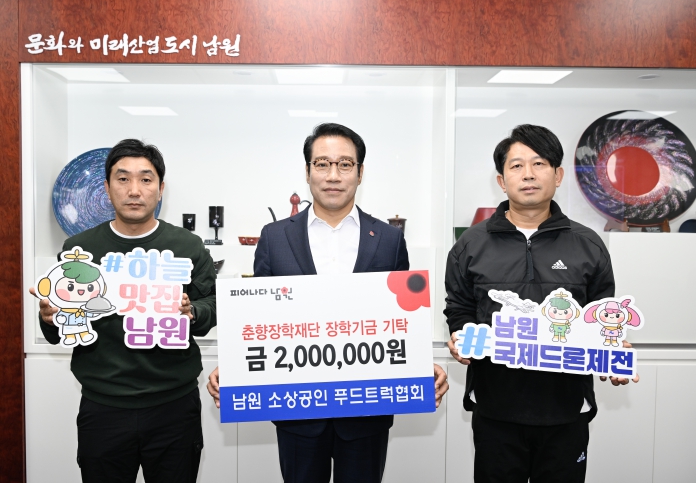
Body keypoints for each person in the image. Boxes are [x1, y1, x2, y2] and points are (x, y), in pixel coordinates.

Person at [207, 123, 449, 483]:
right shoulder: (274, 237)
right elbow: (259, 318)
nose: (333, 175)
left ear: (360, 173)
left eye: (345, 164)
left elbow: (401, 318)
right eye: (322, 164)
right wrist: (235, 366)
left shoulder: (388, 239)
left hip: (367, 409)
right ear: (307, 172)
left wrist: (419, 365)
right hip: (297, 410)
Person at [444, 124, 639, 483]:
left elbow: (603, 313)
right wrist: (460, 335)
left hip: (566, 409)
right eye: (516, 166)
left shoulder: (588, 243)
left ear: (557, 175)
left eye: (539, 163)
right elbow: (459, 307)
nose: (528, 174)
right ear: (501, 180)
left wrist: (613, 347)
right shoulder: (470, 244)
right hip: (496, 409)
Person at [30, 139, 217, 483]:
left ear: (161, 189)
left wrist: (192, 311)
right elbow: (58, 326)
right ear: (106, 188)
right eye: (123, 179)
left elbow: (212, 306)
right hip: (104, 406)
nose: (134, 190)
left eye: (145, 179)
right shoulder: (79, 250)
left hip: (174, 406)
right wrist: (49, 317)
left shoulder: (186, 246)